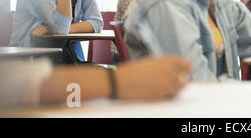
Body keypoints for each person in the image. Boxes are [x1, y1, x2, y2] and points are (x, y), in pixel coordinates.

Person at [0, 55, 191, 108]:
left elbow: (96, 22)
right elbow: (60, 26)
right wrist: (119, 81)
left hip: (70, 62)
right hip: (38, 54)